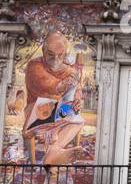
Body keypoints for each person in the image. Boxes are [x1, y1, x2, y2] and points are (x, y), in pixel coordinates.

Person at [21, 32, 87, 174]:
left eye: (60, 54)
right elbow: (43, 82)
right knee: (65, 114)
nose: (56, 58)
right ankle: (53, 154)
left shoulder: (70, 70)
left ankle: (54, 151)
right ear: (44, 51)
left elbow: (77, 90)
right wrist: (60, 86)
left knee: (78, 120)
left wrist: (77, 100)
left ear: (65, 53)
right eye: (51, 54)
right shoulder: (34, 65)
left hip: (59, 111)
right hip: (37, 110)